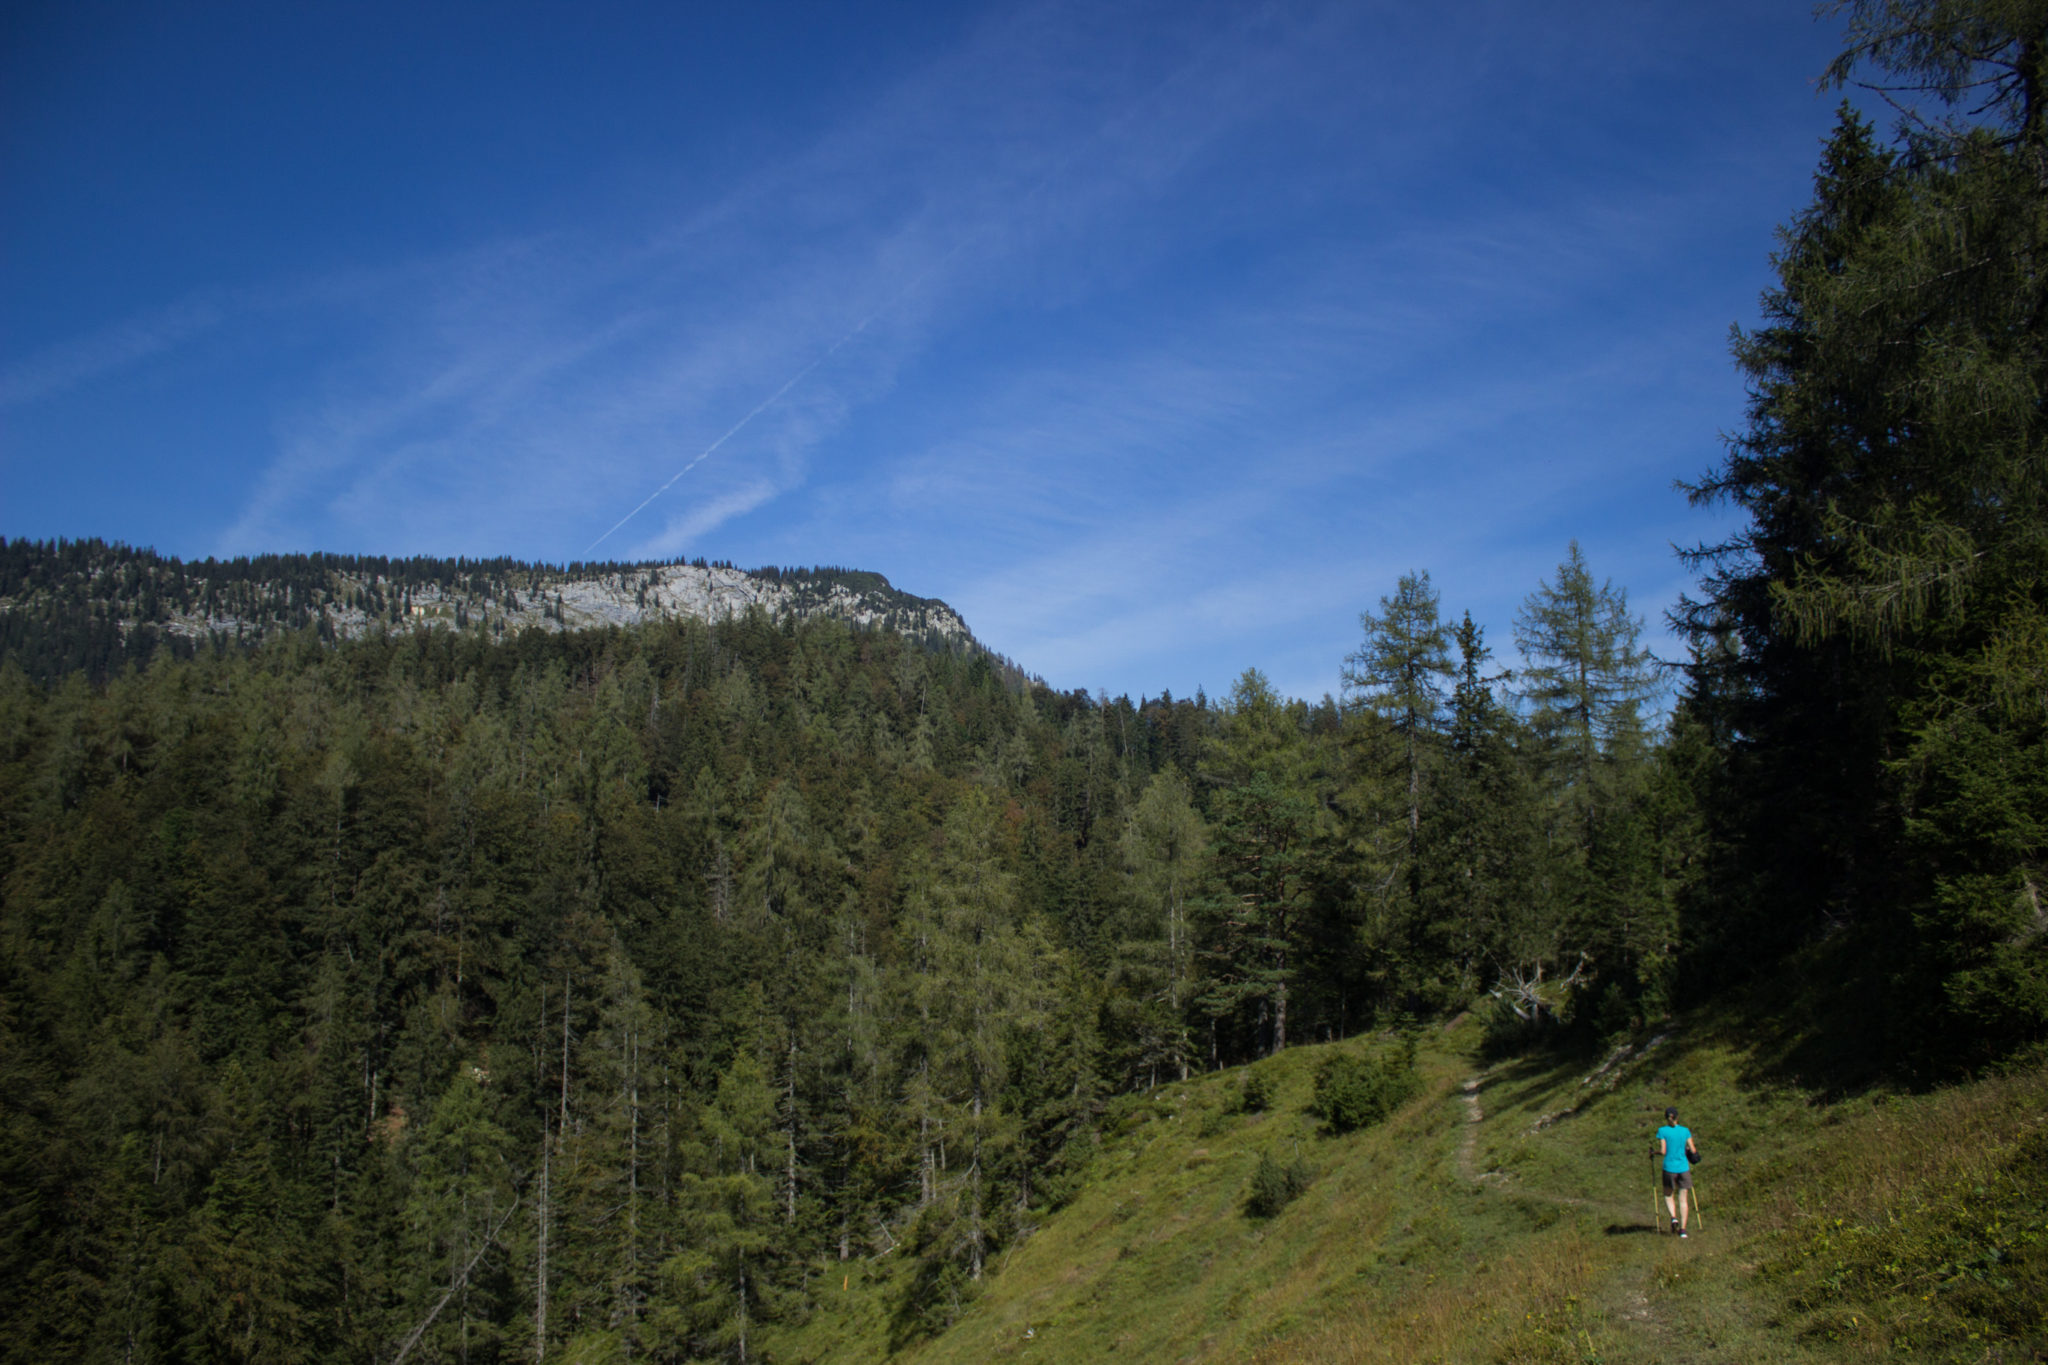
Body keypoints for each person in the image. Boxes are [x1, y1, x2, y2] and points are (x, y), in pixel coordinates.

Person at [1654, 1106, 1698, 1237]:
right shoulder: (1685, 1131)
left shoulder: (1662, 1131)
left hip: (1669, 1168)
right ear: (1677, 1117)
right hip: (1683, 1167)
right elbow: (1693, 1150)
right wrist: (1687, 1151)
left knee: (1668, 1194)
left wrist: (1653, 1153)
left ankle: (1673, 1217)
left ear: (1666, 1118)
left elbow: (1663, 1151)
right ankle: (1683, 1230)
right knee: (1683, 1199)